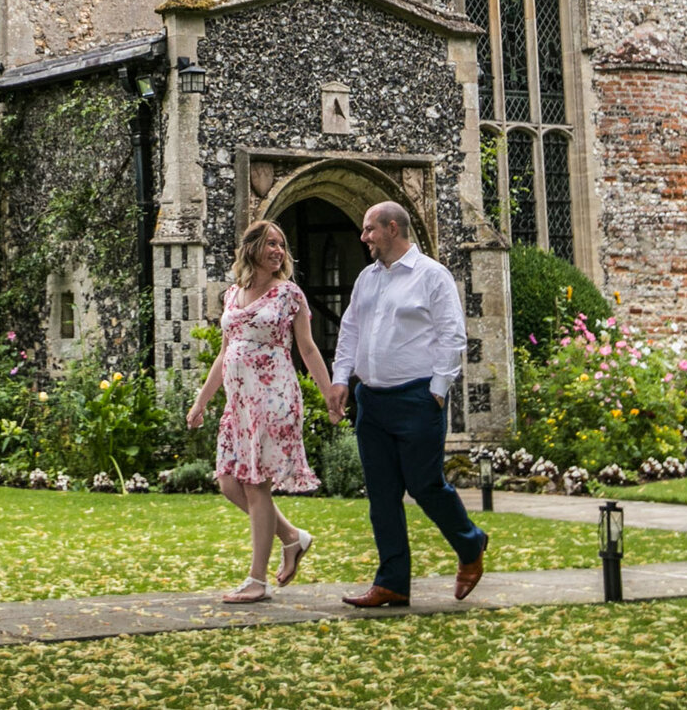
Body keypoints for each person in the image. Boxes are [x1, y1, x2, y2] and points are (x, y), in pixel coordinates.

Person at [321, 200, 487, 607]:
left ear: (392, 229)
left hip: (417, 398)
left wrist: (438, 387)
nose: (364, 238)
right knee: (382, 494)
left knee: (425, 485)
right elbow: (350, 331)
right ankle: (392, 581)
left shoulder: (433, 276)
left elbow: (452, 335)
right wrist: (341, 379)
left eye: (369, 230)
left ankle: (471, 545)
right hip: (371, 402)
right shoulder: (366, 278)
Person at [187, 217, 338, 603]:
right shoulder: (232, 295)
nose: (278, 251)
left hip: (273, 398)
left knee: (255, 485)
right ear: (251, 248)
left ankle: (257, 580)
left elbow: (307, 348)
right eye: (270, 243)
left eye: (282, 245)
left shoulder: (289, 294)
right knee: (228, 481)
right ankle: (292, 537)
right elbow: (225, 352)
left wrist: (329, 394)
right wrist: (201, 401)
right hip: (238, 404)